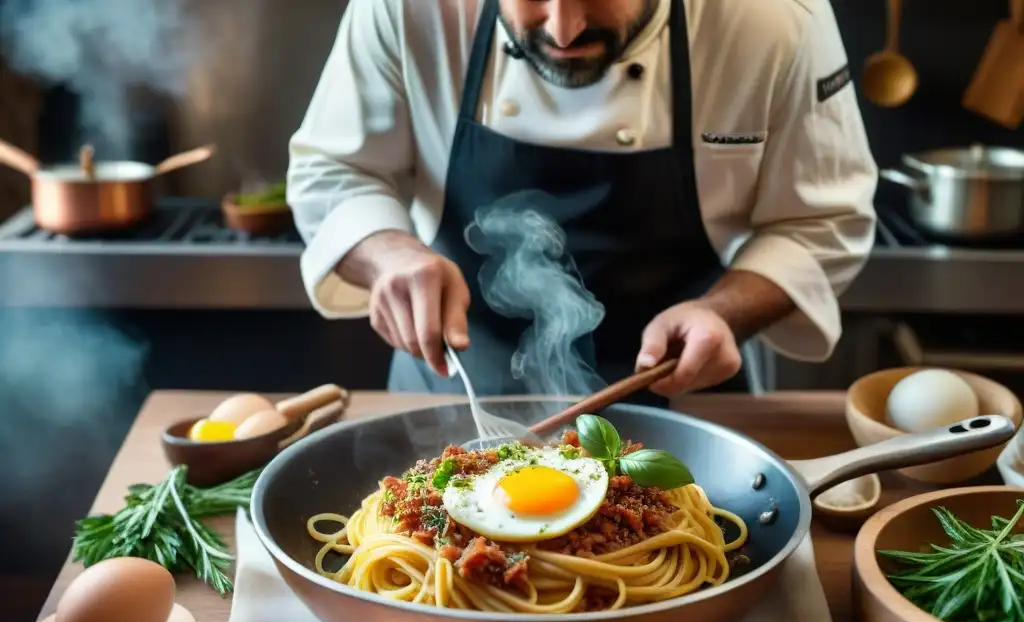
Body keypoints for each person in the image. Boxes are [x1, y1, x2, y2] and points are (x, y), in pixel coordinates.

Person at [287, 0, 878, 402]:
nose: (563, 30)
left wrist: (722, 312)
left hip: (684, 397)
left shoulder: (773, 18)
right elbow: (333, 171)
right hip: (453, 391)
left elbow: (822, 220)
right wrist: (388, 254)